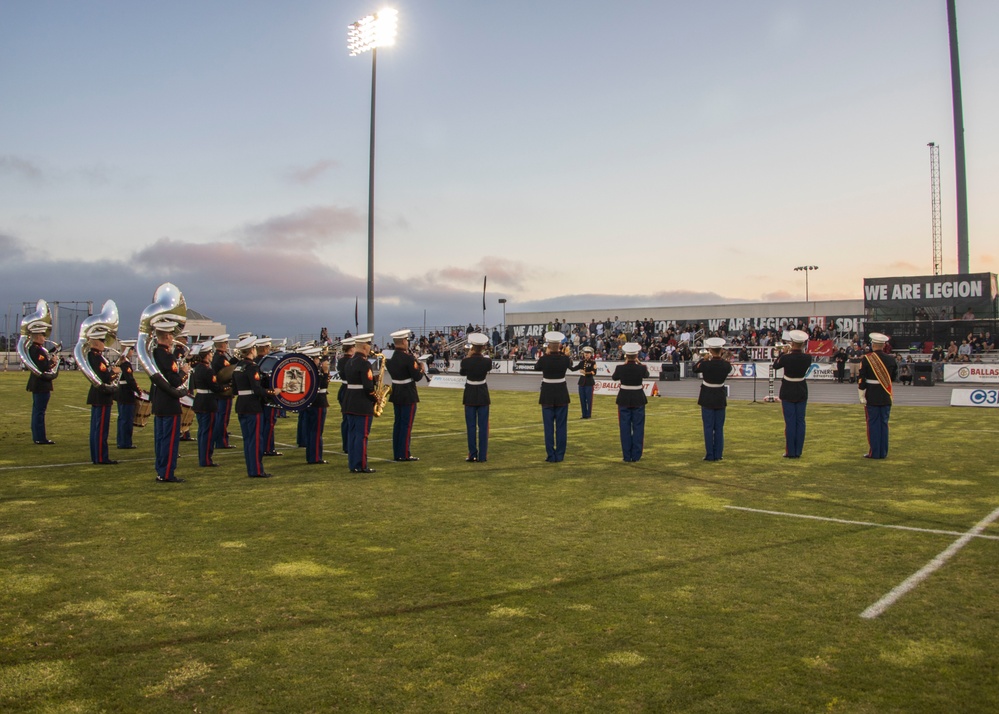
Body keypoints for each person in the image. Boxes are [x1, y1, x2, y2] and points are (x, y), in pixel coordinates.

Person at [149, 318, 190, 482]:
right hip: (169, 402)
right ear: (166, 335)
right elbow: (174, 380)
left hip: (160, 401)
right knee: (169, 440)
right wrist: (184, 372)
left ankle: (161, 470)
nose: (173, 338)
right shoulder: (165, 355)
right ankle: (167, 473)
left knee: (161, 439)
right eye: (172, 334)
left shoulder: (157, 353)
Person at [232, 336, 277, 478]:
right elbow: (257, 390)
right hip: (252, 405)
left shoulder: (238, 367)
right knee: (255, 440)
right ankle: (256, 470)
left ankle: (251, 468)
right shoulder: (252, 367)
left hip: (241, 405)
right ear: (251, 350)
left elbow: (234, 390)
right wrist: (272, 392)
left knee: (247, 440)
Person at [386, 329, 426, 461]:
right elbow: (417, 377)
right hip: (408, 393)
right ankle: (404, 453)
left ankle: (397, 452)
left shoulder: (390, 358)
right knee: (406, 425)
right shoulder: (408, 358)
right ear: (403, 341)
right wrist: (421, 369)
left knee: (397, 424)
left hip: (396, 391)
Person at [772, 330, 812, 458]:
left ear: (792, 343)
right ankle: (798, 451)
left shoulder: (786, 357)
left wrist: (783, 353)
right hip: (801, 389)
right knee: (800, 422)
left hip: (788, 390)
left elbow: (775, 366)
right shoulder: (807, 358)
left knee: (790, 422)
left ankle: (790, 451)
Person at [859, 333, 898, 459]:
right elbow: (893, 378)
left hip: (872, 395)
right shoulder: (891, 359)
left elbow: (862, 378)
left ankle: (874, 452)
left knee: (873, 424)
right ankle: (883, 452)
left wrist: (861, 393)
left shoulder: (867, 358)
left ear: (873, 344)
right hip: (886, 394)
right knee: (884, 424)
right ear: (883, 345)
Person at [85, 327, 121, 465]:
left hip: (98, 396)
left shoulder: (95, 356)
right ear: (95, 343)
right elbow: (105, 378)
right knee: (100, 430)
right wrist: (115, 373)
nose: (103, 343)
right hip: (102, 396)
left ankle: (97, 455)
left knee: (96, 428)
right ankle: (101, 457)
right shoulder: (96, 357)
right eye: (101, 341)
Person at [693, 337, 732, 462]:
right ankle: (718, 454)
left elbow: (695, 368)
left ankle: (710, 454)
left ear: (710, 350)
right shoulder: (726, 365)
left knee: (708, 427)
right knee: (719, 428)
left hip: (707, 396)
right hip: (720, 396)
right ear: (721, 350)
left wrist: (703, 359)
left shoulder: (705, 364)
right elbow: (727, 368)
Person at [342, 333, 377, 473]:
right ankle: (361, 464)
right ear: (364, 346)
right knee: (362, 435)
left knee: (352, 435)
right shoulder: (364, 363)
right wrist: (376, 398)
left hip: (349, 401)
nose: (370, 348)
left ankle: (353, 464)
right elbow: (368, 387)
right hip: (362, 403)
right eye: (369, 345)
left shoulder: (349, 361)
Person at [534, 331, 571, 462]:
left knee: (548, 428)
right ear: (560, 345)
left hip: (547, 395)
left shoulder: (544, 359)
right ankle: (560, 455)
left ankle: (551, 455)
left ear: (549, 345)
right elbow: (570, 365)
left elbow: (536, 367)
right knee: (561, 427)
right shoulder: (565, 359)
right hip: (561, 393)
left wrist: (546, 353)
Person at [612, 342, 650, 462]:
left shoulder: (620, 368)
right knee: (638, 428)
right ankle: (637, 455)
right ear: (636, 355)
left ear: (626, 355)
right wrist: (639, 362)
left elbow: (614, 377)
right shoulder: (641, 368)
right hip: (638, 398)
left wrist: (625, 363)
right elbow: (647, 375)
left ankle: (627, 455)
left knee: (624, 428)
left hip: (624, 398)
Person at [24, 320, 57, 445]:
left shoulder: (35, 349)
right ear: (38, 336)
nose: (44, 338)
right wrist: (53, 362)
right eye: (43, 335)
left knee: (38, 411)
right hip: (41, 384)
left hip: (38, 384)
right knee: (39, 412)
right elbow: (43, 366)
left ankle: (38, 436)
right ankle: (39, 437)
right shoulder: (37, 350)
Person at [460, 333, 492, 462]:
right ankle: (483, 455)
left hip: (470, 393)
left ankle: (472, 454)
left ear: (472, 347)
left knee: (471, 426)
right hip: (483, 393)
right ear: (483, 347)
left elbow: (463, 372)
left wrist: (468, 356)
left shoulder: (466, 361)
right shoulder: (487, 361)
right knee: (483, 426)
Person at [191, 341, 223, 467]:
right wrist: (226, 388)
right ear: (206, 354)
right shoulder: (207, 370)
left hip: (200, 400)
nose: (211, 355)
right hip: (208, 402)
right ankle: (206, 459)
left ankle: (203, 457)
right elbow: (215, 387)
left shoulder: (197, 368)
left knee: (202, 432)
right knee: (208, 433)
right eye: (210, 353)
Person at [302, 346, 330, 464]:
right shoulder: (315, 371)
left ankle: (311, 456)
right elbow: (323, 385)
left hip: (309, 402)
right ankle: (315, 457)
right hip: (318, 401)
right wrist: (325, 372)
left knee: (311, 431)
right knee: (317, 431)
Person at [255, 338, 283, 457]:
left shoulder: (254, 361)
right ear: (266, 348)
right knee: (269, 423)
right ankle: (268, 448)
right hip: (268, 396)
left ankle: (262, 446)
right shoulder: (270, 361)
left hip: (257, 398)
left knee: (260, 424)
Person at [211, 334, 236, 450]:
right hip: (223, 392)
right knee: (223, 417)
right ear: (222, 344)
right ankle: (221, 441)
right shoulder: (221, 358)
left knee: (220, 417)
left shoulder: (217, 357)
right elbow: (228, 373)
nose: (227, 345)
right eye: (226, 343)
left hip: (218, 391)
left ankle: (218, 439)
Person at [115, 341, 140, 449]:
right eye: (132, 349)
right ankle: (125, 442)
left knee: (121, 419)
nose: (132, 352)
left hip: (121, 392)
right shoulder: (126, 363)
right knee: (127, 419)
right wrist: (138, 390)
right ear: (128, 350)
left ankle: (121, 440)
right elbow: (130, 379)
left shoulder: (120, 362)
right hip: (126, 393)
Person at [336, 337, 355, 454]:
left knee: (345, 419)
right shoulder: (350, 361)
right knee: (349, 420)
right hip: (349, 388)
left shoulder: (342, 360)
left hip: (344, 388)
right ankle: (349, 445)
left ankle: (346, 445)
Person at [569, 346, 598, 419]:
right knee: (582, 400)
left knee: (589, 400)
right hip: (581, 383)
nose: (586, 355)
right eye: (585, 353)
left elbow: (594, 373)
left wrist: (585, 373)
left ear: (590, 354)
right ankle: (583, 414)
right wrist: (568, 363)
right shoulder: (581, 362)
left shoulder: (592, 362)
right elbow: (573, 369)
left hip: (589, 383)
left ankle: (588, 414)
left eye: (588, 353)